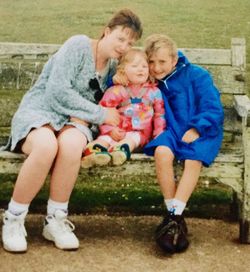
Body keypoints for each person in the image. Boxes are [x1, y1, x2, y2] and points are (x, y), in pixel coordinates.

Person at [0, 9, 142, 253]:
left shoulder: (114, 70)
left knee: (72, 145)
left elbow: (109, 103)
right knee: (47, 146)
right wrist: (96, 114)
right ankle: (13, 219)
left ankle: (55, 221)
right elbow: (57, 91)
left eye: (130, 43)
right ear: (107, 31)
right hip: (41, 111)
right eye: (121, 38)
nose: (124, 46)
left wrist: (91, 117)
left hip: (77, 122)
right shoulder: (78, 45)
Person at [143, 34, 224, 254]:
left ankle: (173, 218)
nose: (156, 67)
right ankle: (175, 217)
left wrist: (198, 127)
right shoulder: (150, 82)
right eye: (151, 62)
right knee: (161, 152)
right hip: (171, 130)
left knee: (192, 158)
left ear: (174, 59)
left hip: (200, 129)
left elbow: (213, 107)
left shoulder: (197, 75)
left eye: (162, 62)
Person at [81, 48, 166, 168]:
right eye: (135, 66)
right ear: (123, 70)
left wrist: (159, 135)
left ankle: (120, 151)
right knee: (105, 139)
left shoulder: (154, 92)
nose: (140, 69)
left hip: (139, 134)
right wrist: (110, 130)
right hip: (116, 130)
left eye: (144, 66)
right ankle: (94, 151)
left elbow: (159, 115)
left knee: (132, 139)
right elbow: (104, 111)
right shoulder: (116, 90)